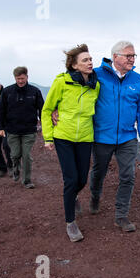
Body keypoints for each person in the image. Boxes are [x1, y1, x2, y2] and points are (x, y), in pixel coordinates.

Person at [52, 41, 140, 232]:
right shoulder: (96, 74)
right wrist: (57, 107)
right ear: (115, 57)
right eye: (128, 56)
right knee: (98, 172)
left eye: (133, 56)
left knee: (128, 175)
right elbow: (73, 87)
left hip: (127, 137)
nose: (132, 59)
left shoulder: (137, 79)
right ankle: (95, 196)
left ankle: (121, 216)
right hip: (101, 136)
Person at [42, 44, 100, 242]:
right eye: (85, 60)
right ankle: (70, 223)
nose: (90, 62)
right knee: (71, 179)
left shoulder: (96, 85)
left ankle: (73, 196)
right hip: (64, 137)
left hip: (85, 137)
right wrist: (48, 137)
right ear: (74, 65)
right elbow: (47, 109)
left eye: (91, 59)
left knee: (82, 179)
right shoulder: (62, 83)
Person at [0, 66, 44, 189]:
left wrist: (45, 126)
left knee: (26, 155)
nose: (20, 81)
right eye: (18, 79)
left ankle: (27, 180)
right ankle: (16, 169)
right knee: (15, 154)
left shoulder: (35, 92)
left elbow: (42, 110)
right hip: (12, 130)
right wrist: (0, 127)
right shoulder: (7, 92)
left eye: (22, 78)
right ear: (15, 78)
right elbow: (0, 111)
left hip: (29, 130)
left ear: (27, 77)